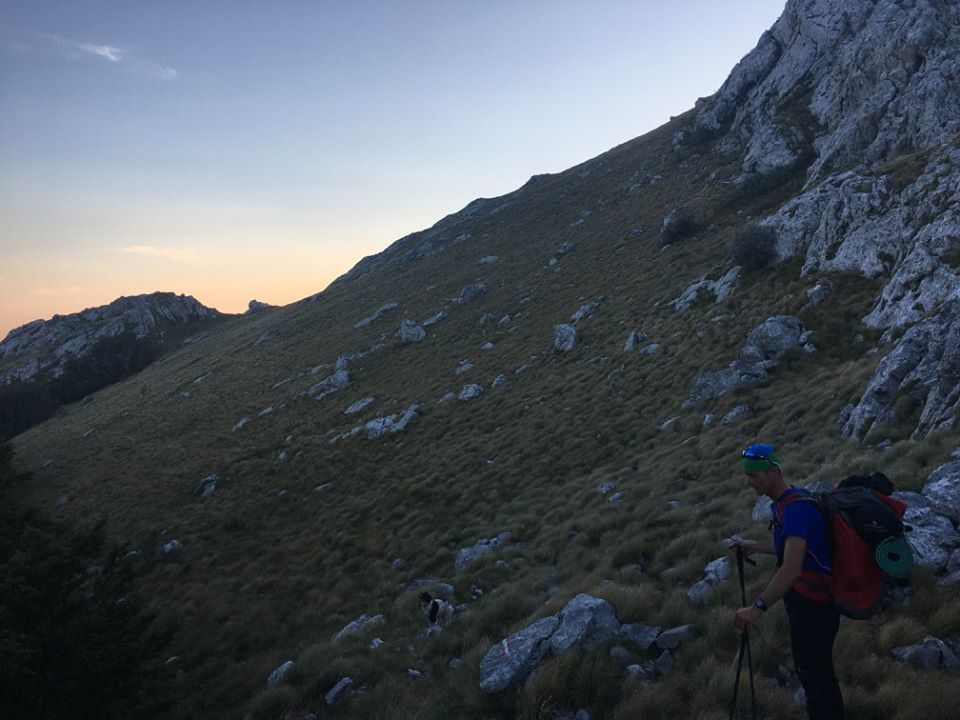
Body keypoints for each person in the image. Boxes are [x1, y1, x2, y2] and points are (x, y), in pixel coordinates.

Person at [728, 442, 843, 720]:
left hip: (814, 605)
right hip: (809, 601)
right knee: (816, 671)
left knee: (815, 675)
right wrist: (752, 545)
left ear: (773, 472)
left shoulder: (795, 511)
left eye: (754, 475)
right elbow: (789, 547)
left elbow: (791, 569)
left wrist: (756, 608)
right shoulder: (787, 502)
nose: (749, 482)